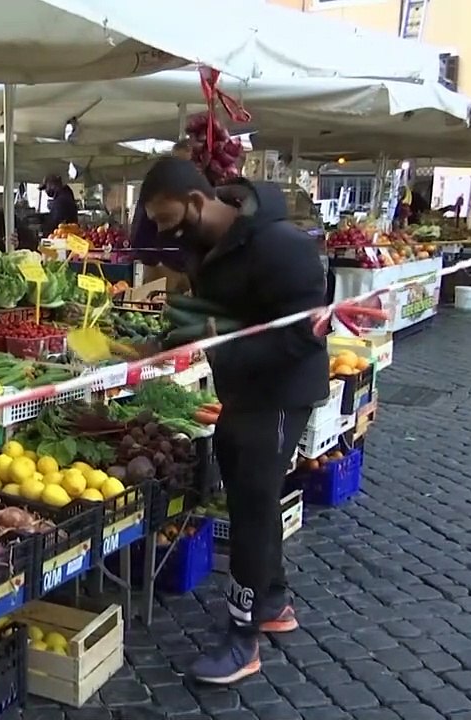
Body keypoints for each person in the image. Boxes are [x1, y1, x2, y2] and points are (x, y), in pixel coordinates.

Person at [139, 157, 329, 686]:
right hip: (241, 391)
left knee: (252, 502)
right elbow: (208, 310)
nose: (159, 227)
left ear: (197, 202)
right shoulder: (203, 245)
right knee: (244, 486)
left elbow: (303, 334)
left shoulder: (282, 247)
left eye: (164, 215)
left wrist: (222, 348)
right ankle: (273, 601)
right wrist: (158, 345)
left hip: (280, 391)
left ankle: (242, 639)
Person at [130, 140, 195, 294]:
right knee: (157, 309)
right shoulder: (159, 185)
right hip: (162, 265)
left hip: (188, 268)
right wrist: (152, 260)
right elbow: (141, 227)